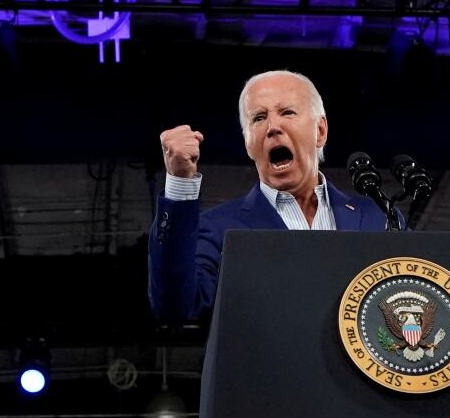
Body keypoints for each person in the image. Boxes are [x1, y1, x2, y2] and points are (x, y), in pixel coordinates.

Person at [148, 70, 396, 322]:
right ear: (248, 144)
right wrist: (180, 182)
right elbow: (175, 306)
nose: (273, 127)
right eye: (258, 117)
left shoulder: (378, 217)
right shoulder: (217, 228)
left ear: (320, 130)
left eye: (287, 112)